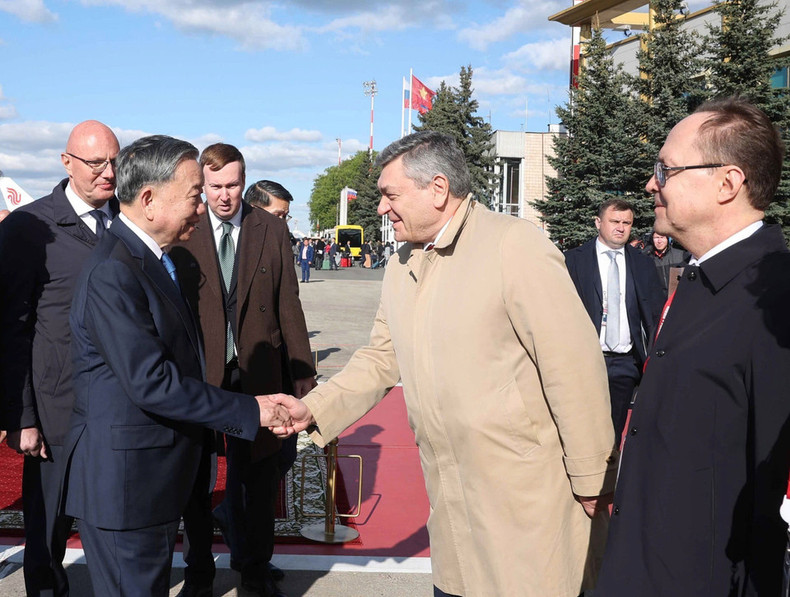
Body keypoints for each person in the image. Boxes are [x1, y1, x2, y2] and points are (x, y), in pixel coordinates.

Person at [270, 131, 617, 597]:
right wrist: (312, 408)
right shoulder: (402, 263)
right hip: (452, 495)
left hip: (527, 495)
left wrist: (593, 477)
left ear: (437, 189)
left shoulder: (514, 246)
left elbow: (572, 367)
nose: (381, 209)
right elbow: (380, 356)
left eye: (390, 195)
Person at [61, 135, 291, 597]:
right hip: (127, 492)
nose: (202, 208)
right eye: (193, 195)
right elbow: (153, 382)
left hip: (151, 484)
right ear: (148, 200)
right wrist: (252, 411)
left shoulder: (150, 260)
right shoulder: (115, 271)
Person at [594, 97, 790, 596]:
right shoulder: (705, 278)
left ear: (728, 183)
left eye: (666, 168)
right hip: (645, 565)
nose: (650, 183)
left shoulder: (776, 302)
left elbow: (771, 496)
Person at [171, 144, 316, 597]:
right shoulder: (184, 227)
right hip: (201, 374)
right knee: (197, 478)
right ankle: (198, 572)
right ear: (202, 184)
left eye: (232, 185)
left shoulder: (269, 229)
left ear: (244, 181)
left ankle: (253, 567)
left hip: (259, 372)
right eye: (214, 187)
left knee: (256, 476)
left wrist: (301, 370)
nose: (224, 196)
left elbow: (287, 302)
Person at [0, 120, 120, 597]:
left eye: (115, 161)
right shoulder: (31, 229)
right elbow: (11, 330)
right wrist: (21, 417)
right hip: (55, 413)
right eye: (96, 163)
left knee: (111, 524)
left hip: (116, 408)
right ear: (67, 162)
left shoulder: (126, 220)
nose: (108, 173)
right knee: (47, 535)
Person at [564, 199, 664, 442]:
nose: (620, 227)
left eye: (626, 223)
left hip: (624, 364)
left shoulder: (642, 263)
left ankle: (609, 478)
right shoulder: (573, 261)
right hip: (584, 361)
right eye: (615, 221)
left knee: (613, 434)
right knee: (580, 432)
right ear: (599, 223)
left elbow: (654, 313)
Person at [642, 231, 688, 296]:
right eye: (656, 238)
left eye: (662, 237)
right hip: (658, 300)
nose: (659, 241)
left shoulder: (681, 255)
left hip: (678, 298)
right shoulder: (647, 259)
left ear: (668, 239)